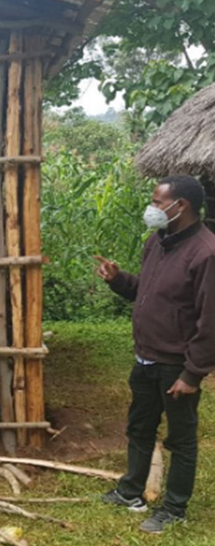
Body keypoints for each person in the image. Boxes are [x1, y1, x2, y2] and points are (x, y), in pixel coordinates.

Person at [95, 175, 215, 533]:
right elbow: (147, 293)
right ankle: (131, 490)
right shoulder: (157, 242)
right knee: (139, 427)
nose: (152, 208)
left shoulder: (206, 253)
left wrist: (192, 374)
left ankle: (174, 509)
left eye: (157, 202)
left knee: (180, 438)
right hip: (145, 357)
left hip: (175, 364)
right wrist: (118, 279)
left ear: (182, 206)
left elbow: (210, 320)